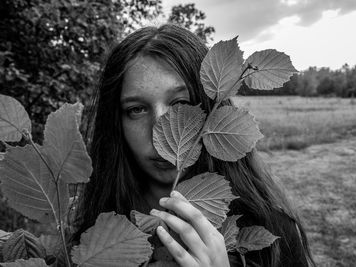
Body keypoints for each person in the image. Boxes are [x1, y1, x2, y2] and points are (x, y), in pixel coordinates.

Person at [73, 24, 315, 267]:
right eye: (136, 109)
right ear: (116, 123)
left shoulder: (275, 233)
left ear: (211, 110)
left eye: (181, 103)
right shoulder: (90, 236)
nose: (161, 131)